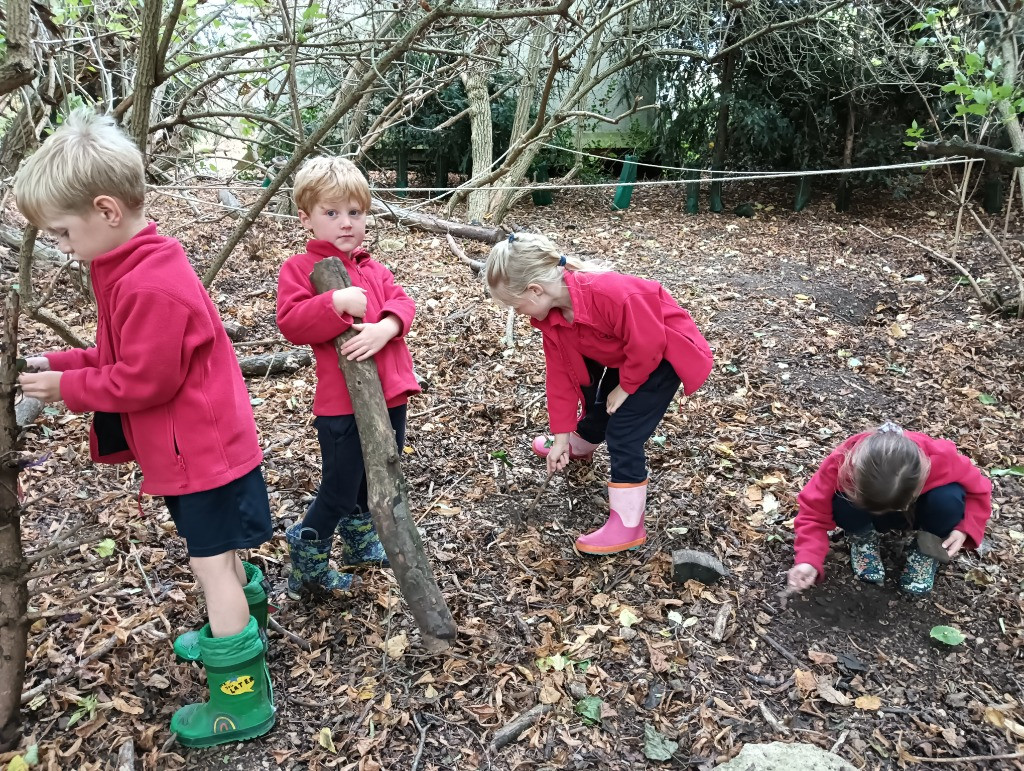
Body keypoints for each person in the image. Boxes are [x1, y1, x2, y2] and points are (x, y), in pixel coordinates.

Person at [15, 110, 275, 746]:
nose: (62, 247)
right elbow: (118, 355)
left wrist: (66, 389)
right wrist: (55, 363)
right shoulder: (128, 266)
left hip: (202, 455)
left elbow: (143, 381)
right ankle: (235, 623)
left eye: (63, 233)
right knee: (218, 557)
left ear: (105, 210)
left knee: (212, 565)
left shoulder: (150, 284)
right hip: (196, 450)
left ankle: (239, 696)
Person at [484, 232, 713, 554]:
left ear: (535, 290)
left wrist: (627, 386)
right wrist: (561, 437)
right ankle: (581, 442)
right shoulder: (552, 318)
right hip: (626, 355)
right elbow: (560, 376)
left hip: (662, 357)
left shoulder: (612, 293)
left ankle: (629, 524)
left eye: (515, 304)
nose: (517, 312)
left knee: (624, 432)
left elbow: (649, 344)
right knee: (600, 400)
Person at [276, 156, 418, 597]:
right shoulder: (301, 270)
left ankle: (359, 539)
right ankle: (309, 560)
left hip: (391, 395)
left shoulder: (373, 268)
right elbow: (293, 323)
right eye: (331, 213)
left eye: (354, 213)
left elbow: (404, 303)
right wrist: (335, 302)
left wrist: (385, 327)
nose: (345, 223)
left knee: (378, 471)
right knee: (339, 488)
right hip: (342, 405)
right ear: (306, 218)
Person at [787, 422, 992, 596]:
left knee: (948, 498)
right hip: (864, 512)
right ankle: (862, 536)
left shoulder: (941, 458)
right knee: (840, 500)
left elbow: (980, 491)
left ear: (923, 476)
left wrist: (964, 527)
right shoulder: (841, 464)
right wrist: (808, 559)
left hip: (917, 514)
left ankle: (927, 549)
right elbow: (812, 514)